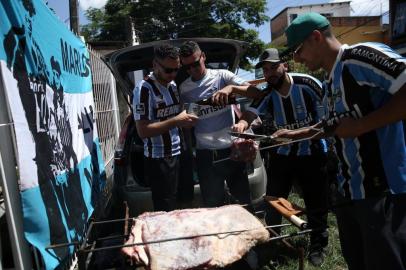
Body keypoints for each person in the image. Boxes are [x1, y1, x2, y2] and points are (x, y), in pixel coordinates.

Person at [275, 12, 406, 270]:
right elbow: (334, 126)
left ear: (315, 38)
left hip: (383, 192)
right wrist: (295, 134)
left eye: (298, 50)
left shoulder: (359, 58)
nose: (297, 58)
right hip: (350, 193)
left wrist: (360, 126)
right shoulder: (330, 79)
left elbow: (353, 125)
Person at [232, 48, 329, 266]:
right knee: (273, 200)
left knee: (316, 201)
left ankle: (318, 244)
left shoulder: (308, 83)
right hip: (283, 155)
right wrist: (242, 123)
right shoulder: (268, 93)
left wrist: (295, 134)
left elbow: (327, 120)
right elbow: (251, 112)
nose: (269, 73)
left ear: (284, 65)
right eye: (265, 70)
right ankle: (274, 243)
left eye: (273, 67)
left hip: (313, 152)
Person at [179, 41, 257, 207]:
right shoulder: (183, 89)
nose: (192, 70)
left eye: (195, 64)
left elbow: (255, 92)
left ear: (203, 57)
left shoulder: (222, 76)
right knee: (213, 205)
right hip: (205, 154)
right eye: (187, 67)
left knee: (242, 202)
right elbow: (185, 123)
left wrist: (231, 89)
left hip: (231, 150)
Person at [132, 43, 198, 211]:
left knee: (186, 199)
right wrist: (176, 120)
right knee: (166, 208)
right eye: (168, 70)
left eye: (177, 70)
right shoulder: (144, 89)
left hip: (181, 152)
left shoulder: (173, 86)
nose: (173, 74)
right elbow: (143, 131)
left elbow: (180, 117)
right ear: (155, 65)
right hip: (160, 159)